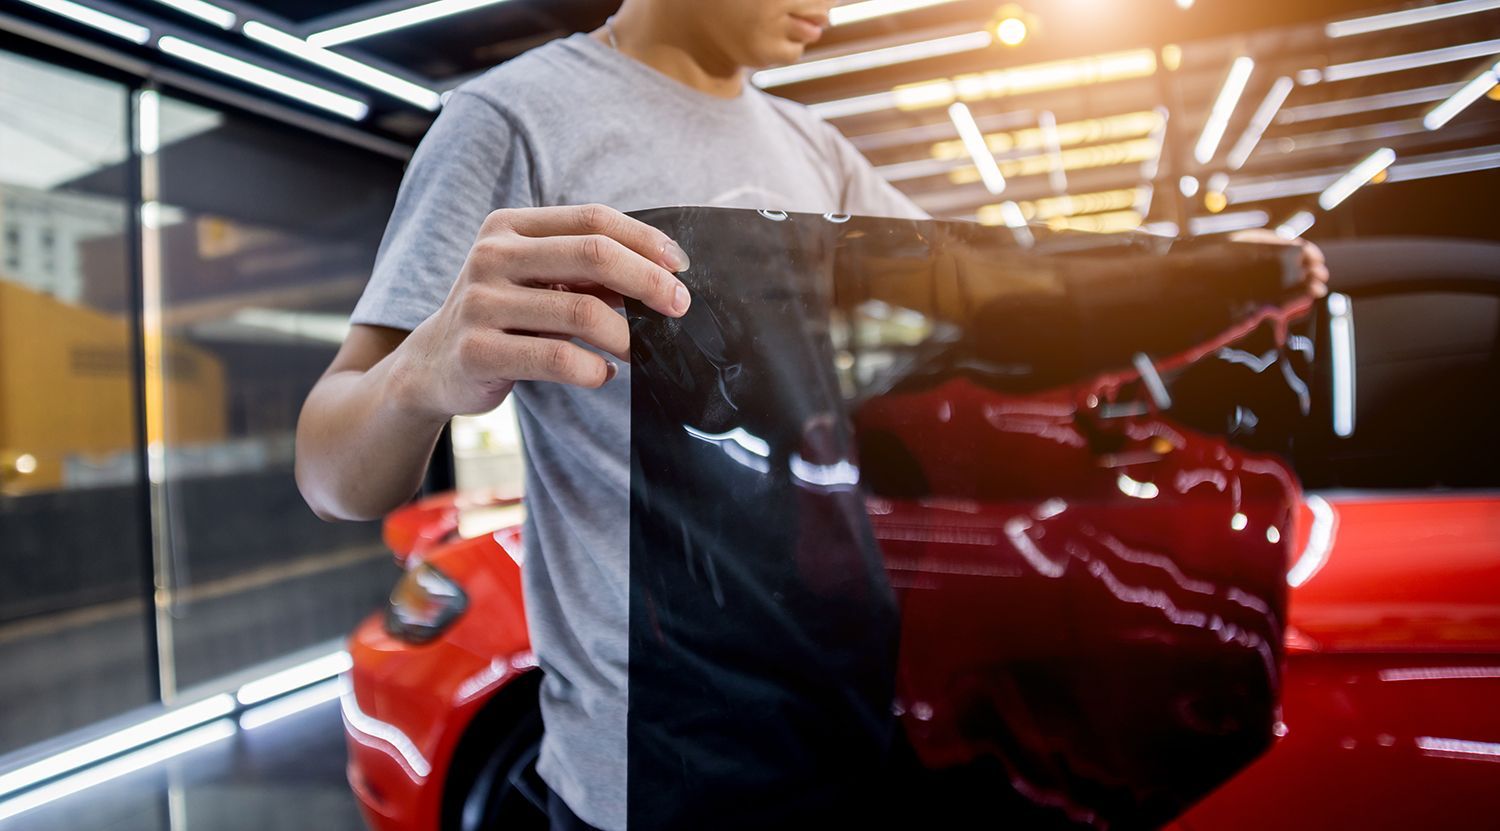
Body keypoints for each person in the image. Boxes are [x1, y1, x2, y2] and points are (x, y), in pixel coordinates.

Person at [294, 2, 1328, 828]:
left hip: (843, 712)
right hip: (659, 756)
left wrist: (1217, 286)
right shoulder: (515, 121)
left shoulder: (813, 149)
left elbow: (1012, 311)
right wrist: (422, 370)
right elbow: (334, 469)